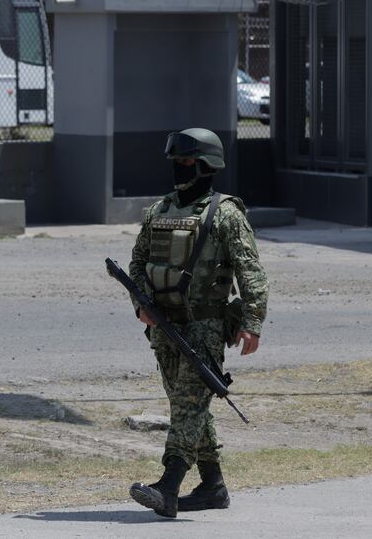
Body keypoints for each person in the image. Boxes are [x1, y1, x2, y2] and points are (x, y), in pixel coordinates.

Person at [126, 127, 269, 518]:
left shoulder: (225, 213)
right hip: (161, 327)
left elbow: (251, 272)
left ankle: (168, 487)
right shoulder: (160, 211)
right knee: (187, 405)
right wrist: (140, 302)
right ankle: (212, 487)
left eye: (187, 162)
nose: (180, 169)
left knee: (189, 406)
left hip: (203, 327)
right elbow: (137, 264)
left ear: (207, 165)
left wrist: (252, 320)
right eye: (176, 162)